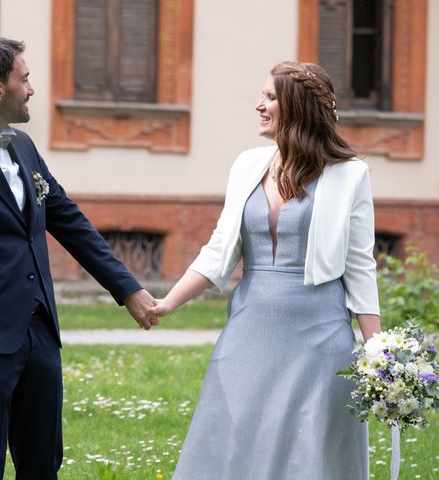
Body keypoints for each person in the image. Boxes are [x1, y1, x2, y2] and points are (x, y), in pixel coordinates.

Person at [0, 35, 157, 480]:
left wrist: (128, 289)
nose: (32, 89)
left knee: (44, 463)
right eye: (24, 79)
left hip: (39, 333)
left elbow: (68, 220)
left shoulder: (23, 146)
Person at [151, 61, 381, 480]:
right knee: (234, 437)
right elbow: (220, 248)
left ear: (296, 108)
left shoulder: (351, 176)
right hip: (249, 326)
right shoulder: (246, 165)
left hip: (319, 335)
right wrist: (167, 304)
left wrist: (377, 352)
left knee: (307, 449)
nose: (259, 105)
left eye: (270, 98)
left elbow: (360, 266)